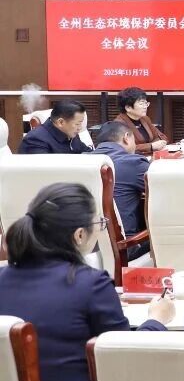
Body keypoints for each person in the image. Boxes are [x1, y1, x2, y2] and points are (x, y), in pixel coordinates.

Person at [0, 183, 172, 381]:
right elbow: (125, 359)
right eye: (99, 223)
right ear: (79, 235)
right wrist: (157, 319)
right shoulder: (91, 285)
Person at [91, 121, 150, 257]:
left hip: (84, 249)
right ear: (126, 137)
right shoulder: (133, 162)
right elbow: (166, 192)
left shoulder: (79, 161)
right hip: (124, 248)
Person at [19, 99, 90, 155]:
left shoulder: (70, 133)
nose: (80, 128)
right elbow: (44, 167)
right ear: (61, 122)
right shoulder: (36, 140)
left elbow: (88, 153)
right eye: (77, 124)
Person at [113, 86, 168, 156]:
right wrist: (150, 146)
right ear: (128, 107)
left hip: (151, 157)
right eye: (141, 104)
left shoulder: (145, 119)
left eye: (146, 103)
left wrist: (158, 143)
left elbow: (161, 136)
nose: (145, 107)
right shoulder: (119, 124)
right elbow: (123, 148)